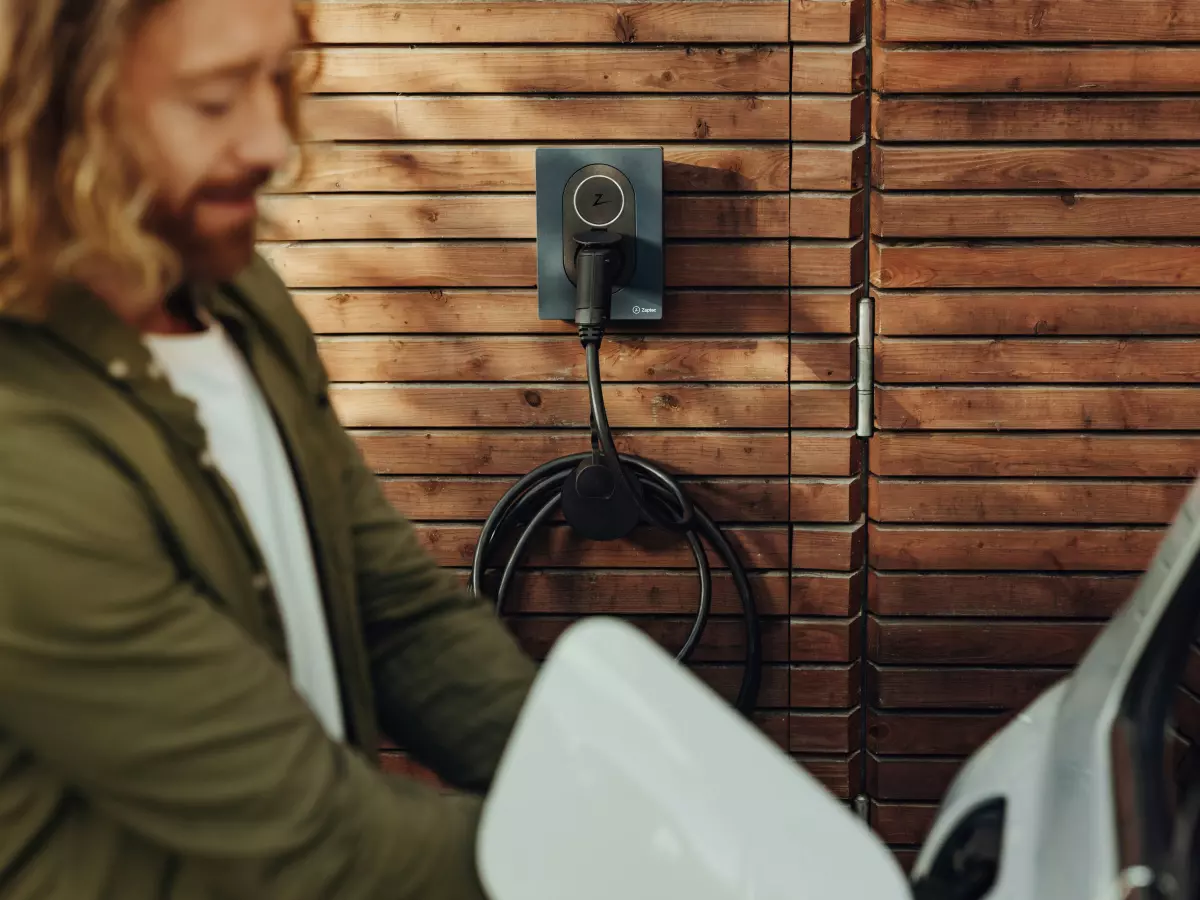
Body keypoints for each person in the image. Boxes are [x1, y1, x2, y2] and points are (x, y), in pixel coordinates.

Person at [0, 1, 538, 897]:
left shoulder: (239, 298)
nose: (271, 142)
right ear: (47, 104)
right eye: (213, 101)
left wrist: (615, 786)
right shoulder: (22, 449)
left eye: (278, 80)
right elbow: (317, 840)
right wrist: (643, 862)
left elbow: (393, 618)